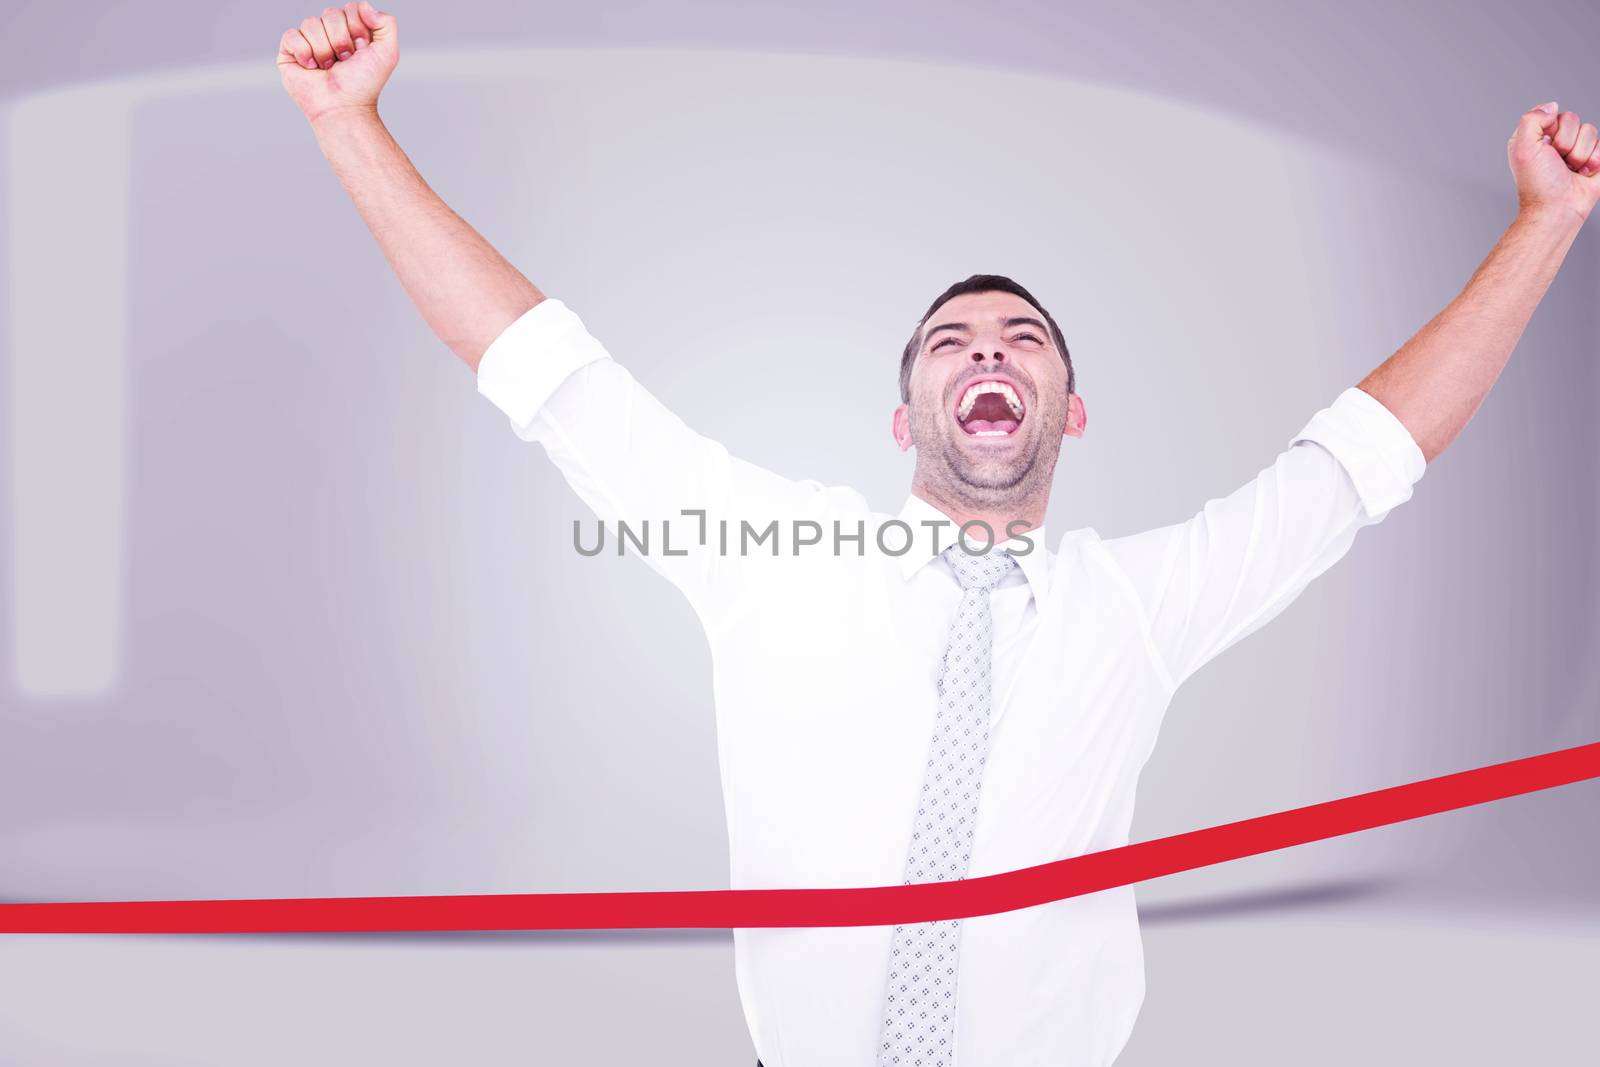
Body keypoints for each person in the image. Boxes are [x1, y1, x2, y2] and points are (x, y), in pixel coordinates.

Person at [277, 5, 1599, 1065]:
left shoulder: (1140, 604)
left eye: (1023, 339)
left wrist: (1546, 224)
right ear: (903, 411)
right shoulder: (767, 562)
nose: (989, 350)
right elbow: (544, 373)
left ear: (1069, 414)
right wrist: (350, 128)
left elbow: (1362, 458)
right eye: (953, 341)